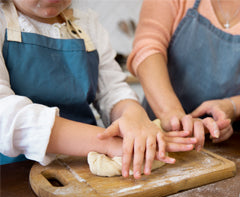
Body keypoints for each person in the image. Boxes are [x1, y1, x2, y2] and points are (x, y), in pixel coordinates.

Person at [0, 0, 197, 179]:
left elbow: (112, 91)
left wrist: (134, 115)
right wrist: (107, 143)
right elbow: (5, 115)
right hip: (15, 174)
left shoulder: (86, 24)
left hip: (83, 170)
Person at [127, 0, 240, 150]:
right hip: (159, 138)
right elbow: (147, 49)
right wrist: (171, 113)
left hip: (229, 145)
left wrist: (233, 107)